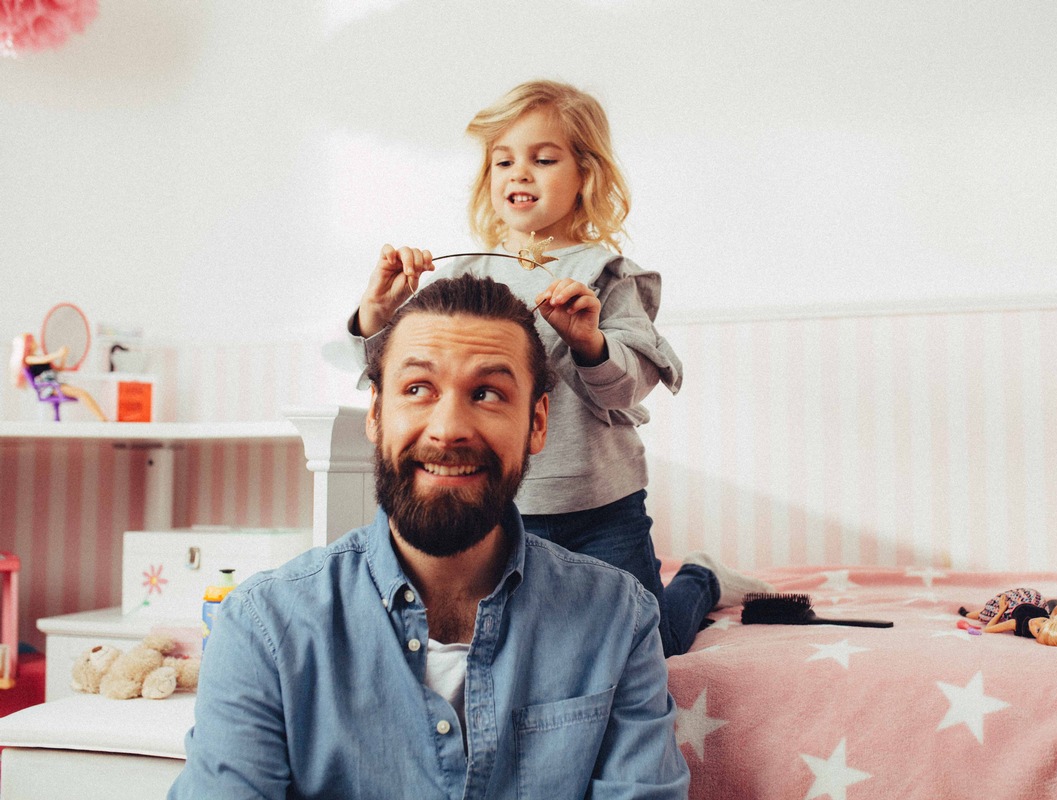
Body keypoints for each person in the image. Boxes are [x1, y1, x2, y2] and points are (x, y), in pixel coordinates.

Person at [170, 274, 689, 799]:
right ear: (375, 413)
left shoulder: (621, 621)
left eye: (487, 393)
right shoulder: (262, 627)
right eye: (417, 389)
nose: (447, 430)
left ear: (536, 422)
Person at [349, 79, 771, 657]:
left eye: (543, 159)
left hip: (599, 510)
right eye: (504, 161)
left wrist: (590, 342)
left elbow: (629, 386)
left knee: (653, 647)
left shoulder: (607, 273)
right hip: (497, 506)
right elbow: (403, 378)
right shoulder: (460, 278)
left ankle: (701, 579)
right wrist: (379, 312)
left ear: (585, 175)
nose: (519, 174)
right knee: (516, 646)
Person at [9, 333, 107, 421]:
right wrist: (58, 354)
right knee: (82, 393)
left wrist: (63, 356)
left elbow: (59, 369)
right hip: (48, 387)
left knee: (83, 393)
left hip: (55, 384)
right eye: (33, 341)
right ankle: (102, 418)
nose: (35, 342)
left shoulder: (39, 357)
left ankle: (101, 417)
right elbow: (45, 359)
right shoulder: (29, 359)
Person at [957, 587, 1057, 627]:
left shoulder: (1038, 609)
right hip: (1011, 605)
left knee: (987, 613)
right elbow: (990, 627)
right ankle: (966, 613)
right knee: (986, 613)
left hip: (1013, 605)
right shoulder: (1038, 612)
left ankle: (966, 613)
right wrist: (1001, 610)